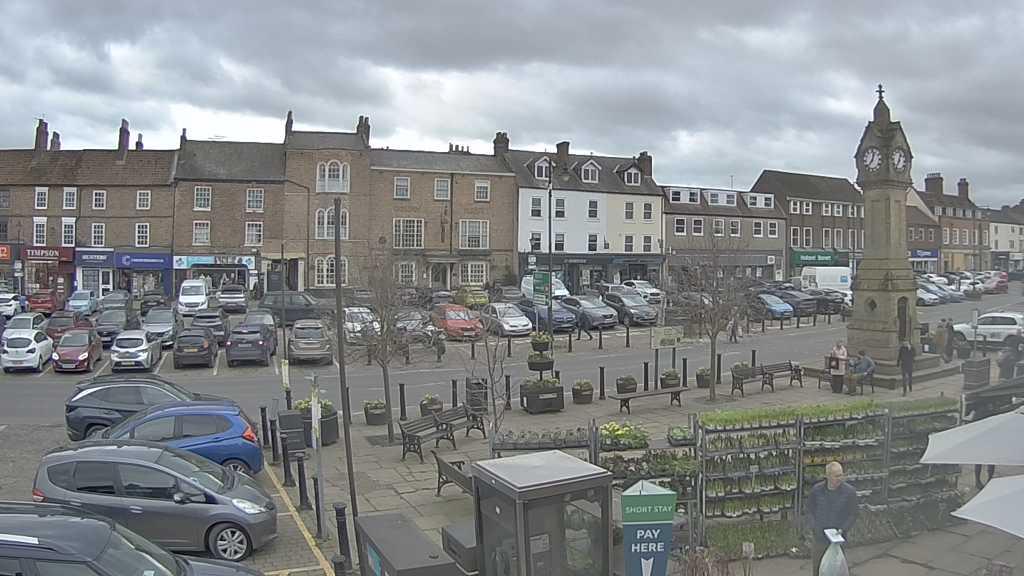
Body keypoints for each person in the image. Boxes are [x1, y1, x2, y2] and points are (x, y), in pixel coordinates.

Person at [807, 461, 858, 576]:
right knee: (818, 569)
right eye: (837, 476)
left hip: (838, 540)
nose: (840, 478)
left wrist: (843, 529)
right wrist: (814, 528)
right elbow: (809, 511)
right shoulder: (817, 490)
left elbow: (853, 514)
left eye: (841, 475)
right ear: (828, 476)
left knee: (836, 570)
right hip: (820, 538)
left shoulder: (849, 492)